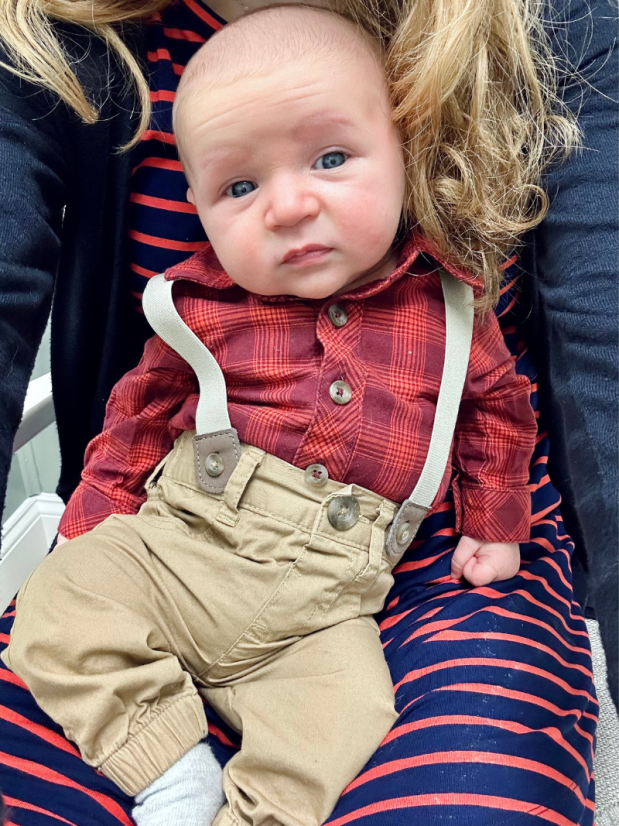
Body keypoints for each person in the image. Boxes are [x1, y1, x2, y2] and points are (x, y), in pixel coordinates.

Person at [0, 0, 613, 825]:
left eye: (330, 159)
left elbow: (499, 414)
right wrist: (96, 516)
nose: (287, 207)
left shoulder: (452, 308)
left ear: (407, 151)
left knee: (344, 715)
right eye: (241, 187)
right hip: (180, 542)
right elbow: (137, 412)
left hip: (336, 601)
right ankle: (172, 768)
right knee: (58, 604)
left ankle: (255, 812)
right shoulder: (198, 307)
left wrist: (496, 523)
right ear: (199, 203)